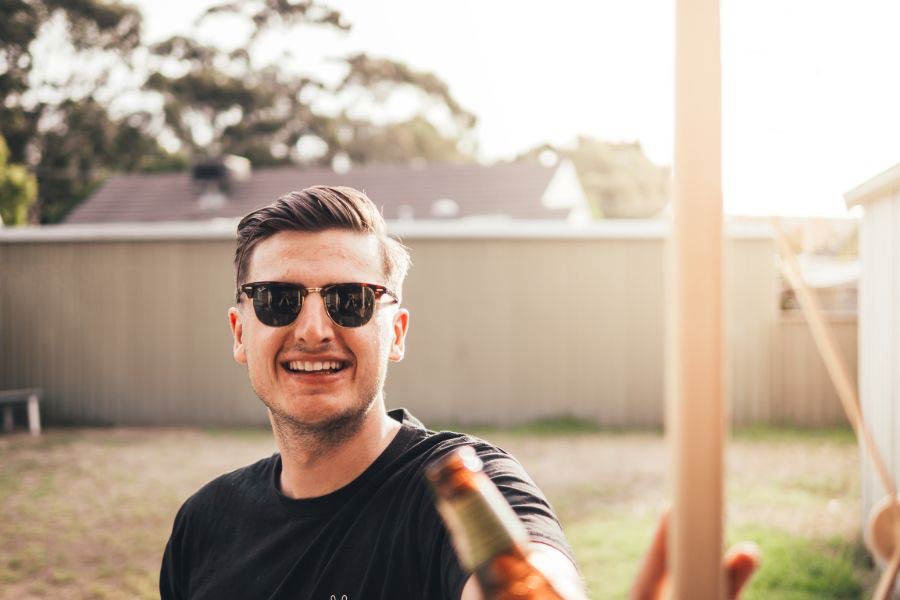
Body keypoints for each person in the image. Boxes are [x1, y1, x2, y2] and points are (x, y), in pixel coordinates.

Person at [160, 185, 757, 599]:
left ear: (394, 332)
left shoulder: (462, 487)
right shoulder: (203, 525)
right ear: (242, 332)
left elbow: (527, 573)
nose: (314, 330)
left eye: (351, 299)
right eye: (278, 300)